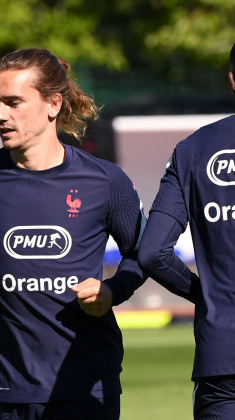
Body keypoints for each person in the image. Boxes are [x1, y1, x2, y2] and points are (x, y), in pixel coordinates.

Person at [0, 48, 147, 420]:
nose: (0, 115)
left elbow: (143, 254)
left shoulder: (105, 181)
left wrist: (113, 291)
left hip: (87, 383)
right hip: (13, 388)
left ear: (52, 105)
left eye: (14, 102)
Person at [138, 42, 235, 420]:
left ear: (231, 79)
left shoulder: (192, 149)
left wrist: (204, 295)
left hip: (222, 358)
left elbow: (152, 253)